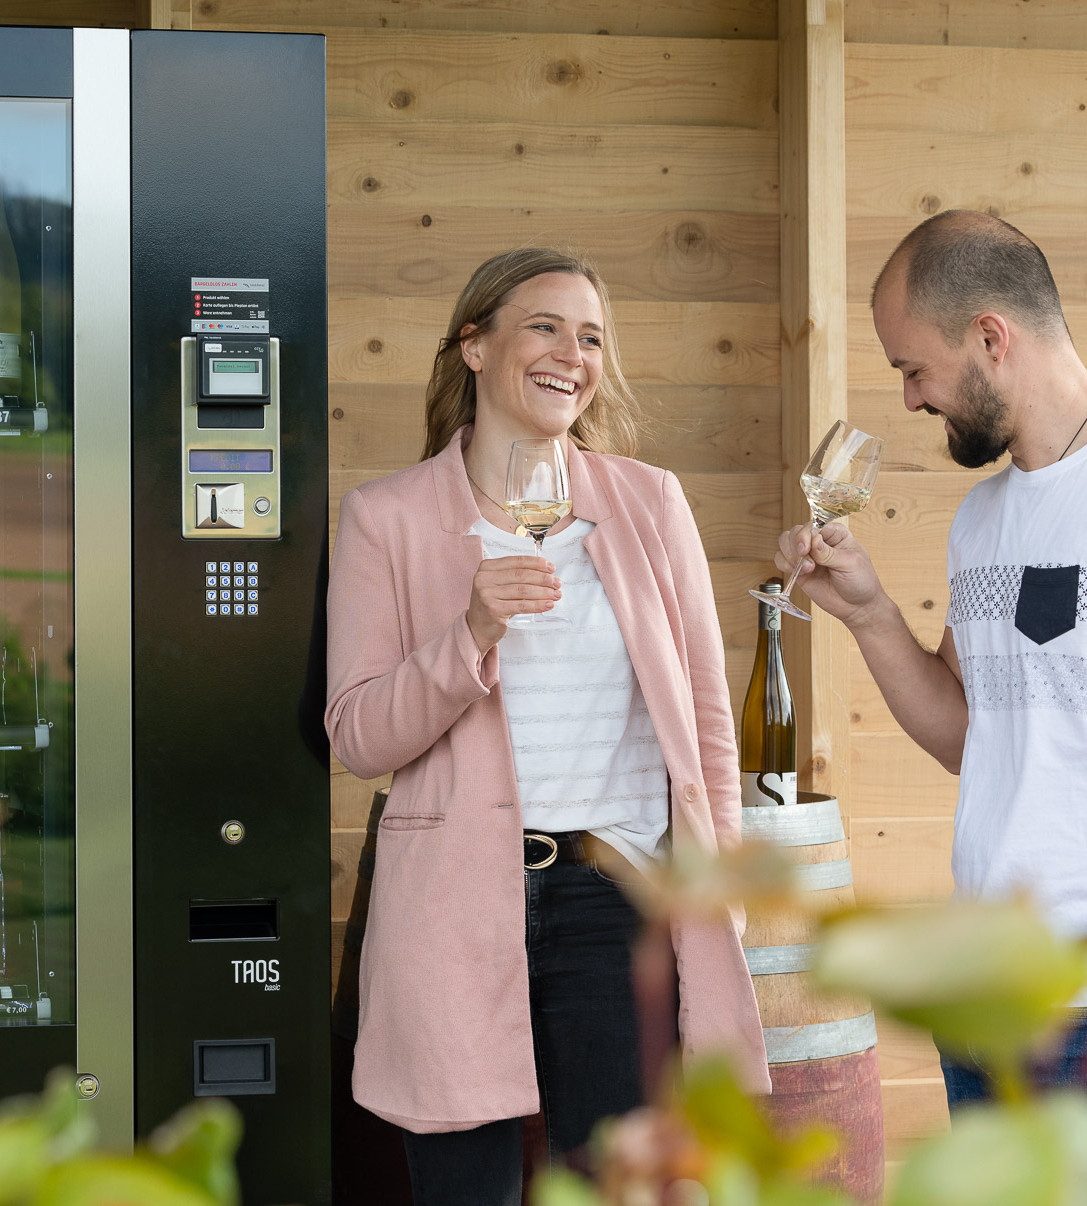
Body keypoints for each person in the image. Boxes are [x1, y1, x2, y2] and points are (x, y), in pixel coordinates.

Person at [773, 210, 1087, 1184]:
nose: (908, 399)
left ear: (991, 336)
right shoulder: (982, 518)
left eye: (914, 369)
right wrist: (868, 613)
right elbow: (971, 735)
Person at [326, 247, 769, 1205]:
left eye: (593, 336)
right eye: (545, 326)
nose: (574, 352)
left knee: (625, 1188)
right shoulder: (385, 520)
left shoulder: (649, 505)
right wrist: (470, 633)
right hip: (451, 902)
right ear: (473, 346)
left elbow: (704, 722)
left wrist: (719, 889)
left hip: (615, 897)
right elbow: (358, 736)